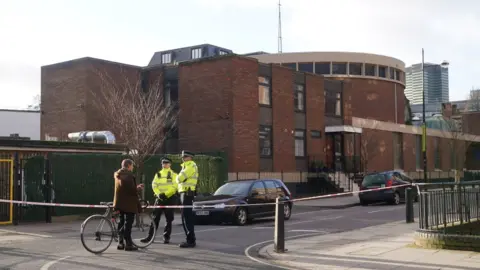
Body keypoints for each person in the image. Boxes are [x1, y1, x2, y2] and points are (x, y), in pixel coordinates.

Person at [140, 157, 178, 244]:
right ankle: (150, 237)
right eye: (163, 163)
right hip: (159, 198)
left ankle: (166, 237)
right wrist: (159, 194)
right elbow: (154, 185)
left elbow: (174, 187)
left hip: (170, 198)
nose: (164, 164)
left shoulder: (174, 175)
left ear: (170, 164)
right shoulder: (158, 174)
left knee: (169, 219)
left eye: (166, 163)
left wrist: (166, 194)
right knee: (155, 218)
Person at [113, 159, 143, 251]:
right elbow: (131, 190)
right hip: (129, 203)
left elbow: (124, 188)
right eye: (132, 166)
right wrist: (138, 188)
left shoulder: (118, 174)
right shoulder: (128, 175)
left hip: (119, 202)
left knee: (121, 222)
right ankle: (128, 244)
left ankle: (120, 242)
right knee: (128, 223)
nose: (133, 167)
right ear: (129, 165)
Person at [176, 150, 198, 248]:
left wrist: (178, 178)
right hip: (184, 193)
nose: (183, 158)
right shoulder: (186, 166)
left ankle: (191, 240)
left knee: (187, 218)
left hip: (187, 194)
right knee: (185, 217)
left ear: (190, 157)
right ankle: (190, 239)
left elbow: (179, 179)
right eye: (182, 157)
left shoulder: (191, 166)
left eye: (185, 157)